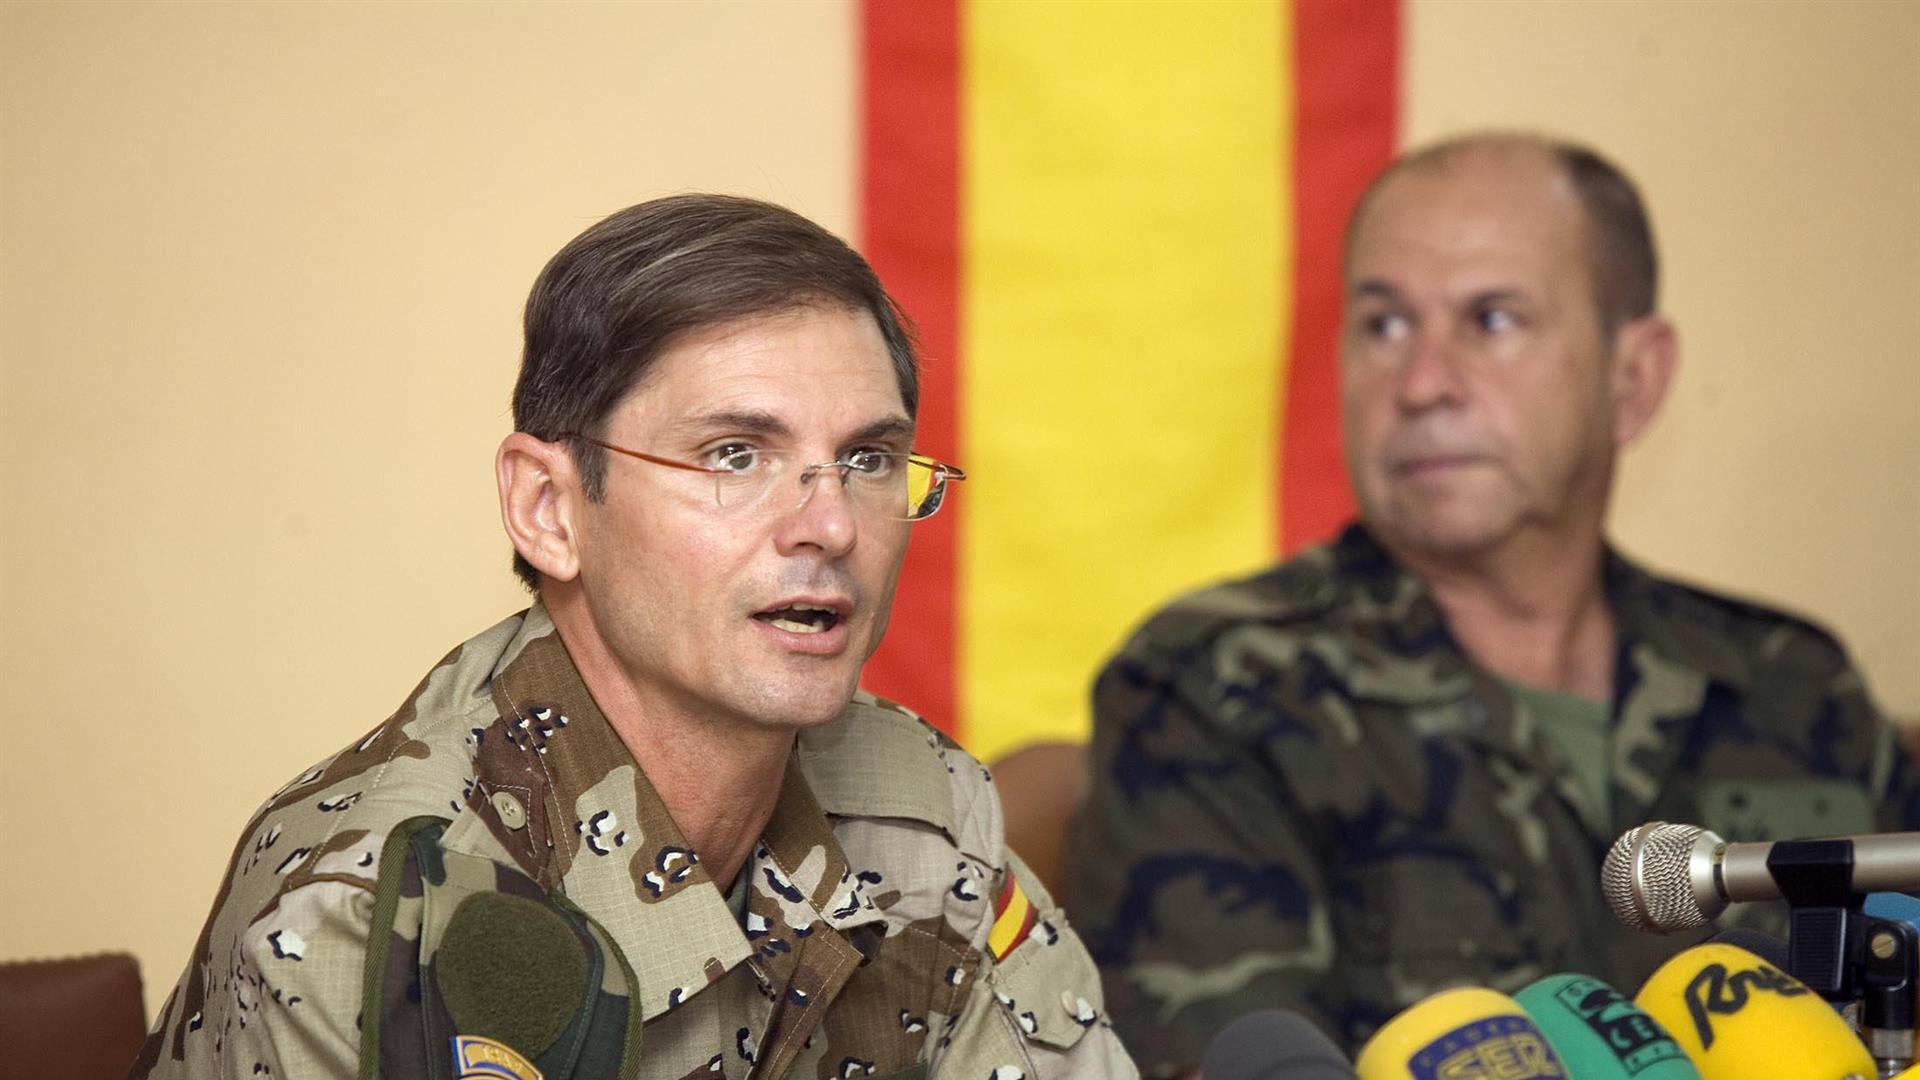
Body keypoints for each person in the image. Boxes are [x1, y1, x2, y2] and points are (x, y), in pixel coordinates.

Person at [135, 194, 1137, 1080]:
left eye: (869, 459)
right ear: (549, 510)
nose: (831, 526)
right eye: (735, 456)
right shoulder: (377, 911)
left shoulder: (923, 806)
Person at [1061, 134, 1917, 1073]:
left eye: (1493, 320)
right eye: (1384, 325)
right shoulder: (1213, 688)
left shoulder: (1794, 684)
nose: (1422, 384)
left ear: (1632, 379)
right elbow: (1227, 1051)